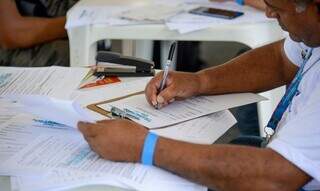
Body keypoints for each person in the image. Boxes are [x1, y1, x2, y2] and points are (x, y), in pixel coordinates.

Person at [78, 0, 320, 190]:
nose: (268, 13)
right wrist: (200, 81)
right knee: (235, 146)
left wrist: (144, 147)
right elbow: (281, 60)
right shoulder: (313, 32)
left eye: (277, 8)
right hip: (280, 159)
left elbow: (275, 178)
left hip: (281, 176)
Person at [0, 0, 77, 67]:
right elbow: (13, 34)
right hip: (13, 50)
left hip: (68, 21)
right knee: (75, 53)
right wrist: (75, 24)